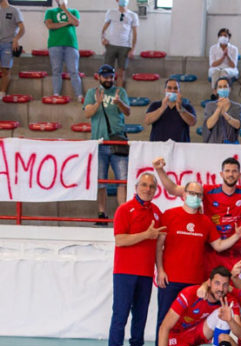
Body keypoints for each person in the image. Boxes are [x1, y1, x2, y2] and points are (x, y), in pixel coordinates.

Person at [154, 181, 241, 346]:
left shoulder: (205, 222)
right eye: (192, 193)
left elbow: (218, 245)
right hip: (170, 279)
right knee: (165, 320)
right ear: (184, 195)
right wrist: (160, 270)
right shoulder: (169, 215)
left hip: (194, 282)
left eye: (199, 195)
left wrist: (237, 235)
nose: (195, 197)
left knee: (192, 321)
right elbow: (159, 245)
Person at [153, 156, 241, 277]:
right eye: (227, 171)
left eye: (234, 171)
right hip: (210, 255)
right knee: (209, 288)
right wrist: (159, 170)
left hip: (233, 254)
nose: (230, 174)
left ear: (240, 175)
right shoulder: (207, 191)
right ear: (221, 174)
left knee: (237, 288)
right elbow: (174, 189)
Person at [107, 172, 165, 346]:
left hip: (145, 273)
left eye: (151, 186)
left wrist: (159, 269)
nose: (147, 189)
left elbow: (158, 245)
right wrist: (146, 235)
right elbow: (120, 240)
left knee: (140, 316)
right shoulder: (124, 210)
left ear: (156, 190)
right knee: (120, 314)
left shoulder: (157, 213)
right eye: (144, 185)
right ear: (136, 187)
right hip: (124, 272)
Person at [155, 266, 241, 346]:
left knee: (225, 312)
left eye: (225, 285)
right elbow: (164, 327)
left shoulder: (229, 300)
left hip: (198, 333)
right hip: (178, 336)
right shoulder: (190, 293)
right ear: (209, 283)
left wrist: (230, 320)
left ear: (229, 286)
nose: (221, 289)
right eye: (217, 283)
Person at [83, 64, 131, 223]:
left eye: (111, 76)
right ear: (99, 77)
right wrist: (98, 103)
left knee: (122, 180)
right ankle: (101, 214)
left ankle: (122, 215)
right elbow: (87, 113)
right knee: (100, 181)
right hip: (99, 143)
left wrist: (119, 102)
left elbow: (128, 112)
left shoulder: (120, 92)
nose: (109, 79)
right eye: (105, 76)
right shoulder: (92, 93)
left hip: (118, 141)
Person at [44, 0, 82, 101]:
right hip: (55, 44)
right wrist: (67, 23)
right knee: (56, 70)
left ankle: (79, 95)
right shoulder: (50, 12)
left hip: (71, 44)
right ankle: (56, 94)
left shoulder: (74, 11)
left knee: (74, 71)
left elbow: (76, 22)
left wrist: (65, 9)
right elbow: (50, 25)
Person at [101, 0, 138, 85]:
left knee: (121, 73)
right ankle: (108, 91)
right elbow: (104, 29)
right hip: (111, 45)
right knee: (108, 72)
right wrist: (103, 38)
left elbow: (135, 34)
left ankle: (119, 91)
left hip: (125, 46)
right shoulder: (111, 12)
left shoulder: (133, 15)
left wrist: (133, 49)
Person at [202, 77, 241, 144]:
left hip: (230, 144)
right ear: (216, 90)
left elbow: (237, 125)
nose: (223, 89)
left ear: (230, 89)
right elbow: (208, 125)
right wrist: (219, 109)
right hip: (213, 144)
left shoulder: (237, 107)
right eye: (220, 87)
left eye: (225, 86)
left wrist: (224, 114)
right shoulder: (209, 105)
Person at [0, 0, 24, 99]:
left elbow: (22, 29)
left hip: (8, 44)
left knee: (5, 70)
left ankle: (2, 93)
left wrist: (16, 39)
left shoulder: (14, 10)